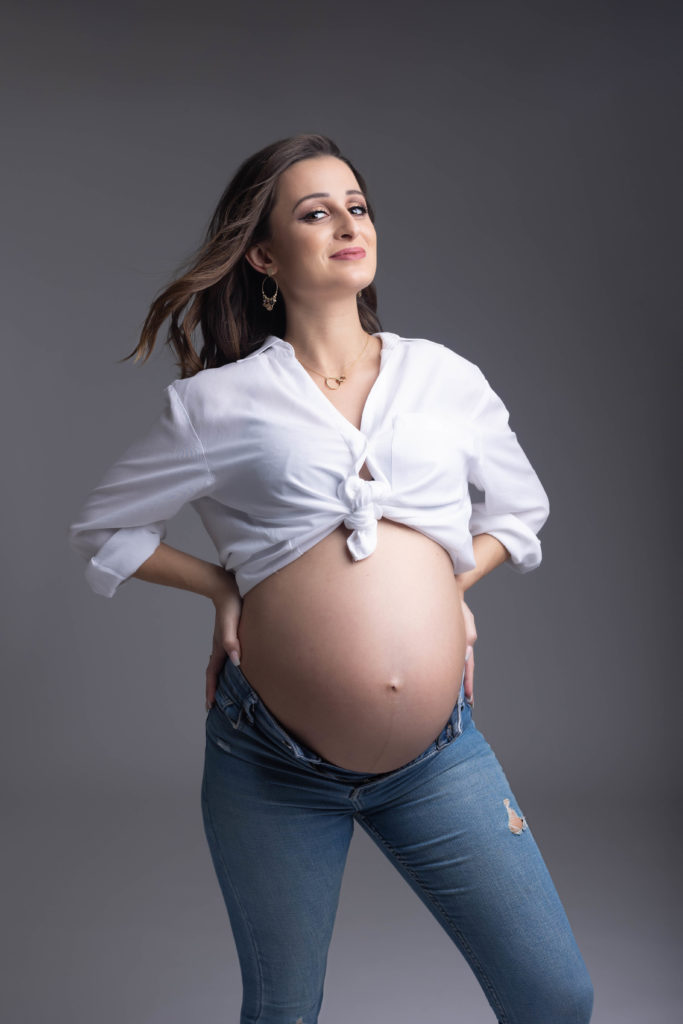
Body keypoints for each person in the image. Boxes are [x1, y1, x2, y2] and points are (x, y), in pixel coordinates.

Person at [68, 133, 594, 1023]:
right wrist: (225, 588)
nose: (348, 223)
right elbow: (102, 529)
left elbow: (518, 510)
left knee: (554, 998)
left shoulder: (443, 377)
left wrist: (443, 597)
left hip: (438, 759)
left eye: (357, 205)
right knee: (283, 1012)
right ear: (265, 256)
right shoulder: (215, 403)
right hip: (271, 760)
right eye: (316, 212)